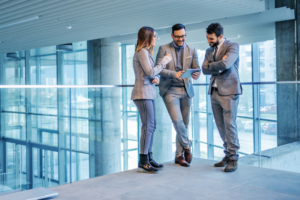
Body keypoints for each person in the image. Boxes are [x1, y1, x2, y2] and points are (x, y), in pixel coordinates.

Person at [156, 24, 200, 167]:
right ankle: (187, 145)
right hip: (170, 89)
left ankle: (179, 156)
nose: (181, 39)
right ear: (172, 36)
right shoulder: (164, 49)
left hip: (186, 89)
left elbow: (196, 67)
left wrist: (196, 73)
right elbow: (159, 69)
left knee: (185, 124)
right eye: (178, 36)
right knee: (177, 121)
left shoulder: (191, 49)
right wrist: (174, 73)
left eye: (183, 36)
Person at [202, 23, 242, 172]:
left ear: (220, 36)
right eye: (207, 38)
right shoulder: (208, 50)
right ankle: (227, 154)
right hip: (214, 91)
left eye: (211, 38)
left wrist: (215, 65)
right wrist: (218, 65)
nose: (208, 41)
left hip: (229, 91)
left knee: (230, 124)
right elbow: (204, 69)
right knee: (220, 126)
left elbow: (226, 63)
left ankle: (233, 158)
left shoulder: (233, 46)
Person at [131, 26, 172, 173]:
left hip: (147, 93)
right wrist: (164, 61)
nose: (156, 39)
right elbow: (149, 71)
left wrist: (155, 77)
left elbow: (148, 73)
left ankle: (148, 157)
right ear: (147, 37)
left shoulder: (145, 53)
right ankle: (143, 160)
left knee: (151, 126)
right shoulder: (142, 52)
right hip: (142, 94)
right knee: (148, 127)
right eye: (154, 36)